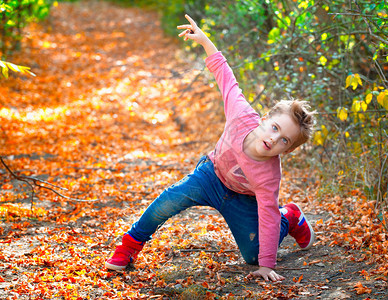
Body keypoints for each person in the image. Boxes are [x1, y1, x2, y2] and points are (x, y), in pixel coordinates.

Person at [105, 14, 316, 282]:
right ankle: (129, 246)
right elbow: (225, 75)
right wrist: (205, 41)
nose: (275, 139)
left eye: (284, 140)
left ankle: (292, 217)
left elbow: (267, 215)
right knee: (168, 201)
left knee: (253, 255)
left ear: (286, 151)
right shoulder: (241, 114)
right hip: (210, 175)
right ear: (264, 119)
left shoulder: (269, 176)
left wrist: (266, 264)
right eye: (275, 128)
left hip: (242, 198)